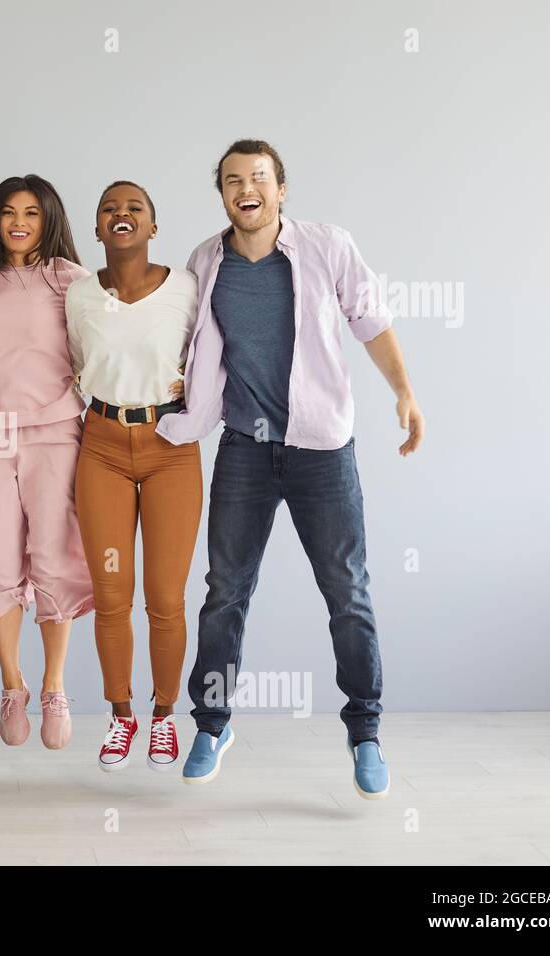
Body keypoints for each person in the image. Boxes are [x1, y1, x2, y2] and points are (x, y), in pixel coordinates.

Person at [158, 140, 425, 800]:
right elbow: (184, 349)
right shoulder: (205, 261)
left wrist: (404, 392)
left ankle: (365, 732)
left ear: (281, 190)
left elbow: (371, 320)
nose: (245, 188)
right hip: (243, 451)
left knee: (347, 591)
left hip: (321, 449)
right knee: (225, 592)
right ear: (221, 193)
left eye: (259, 178)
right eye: (231, 180)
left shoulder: (326, 246)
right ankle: (212, 724)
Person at [66, 181, 201, 772]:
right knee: (112, 597)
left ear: (152, 226)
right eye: (109, 210)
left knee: (166, 599)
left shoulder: (186, 289)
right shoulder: (77, 296)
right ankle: (121, 717)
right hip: (100, 449)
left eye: (134, 209)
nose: (122, 215)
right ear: (97, 229)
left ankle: (165, 717)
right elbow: (77, 365)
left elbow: (211, 355)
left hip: (171, 447)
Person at [0, 175, 94, 750]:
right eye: (8, 212)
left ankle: (54, 685)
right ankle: (12, 685)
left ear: (49, 219)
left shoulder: (72, 280)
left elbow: (101, 349)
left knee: (57, 554)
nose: (19, 222)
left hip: (56, 430)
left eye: (32, 213)